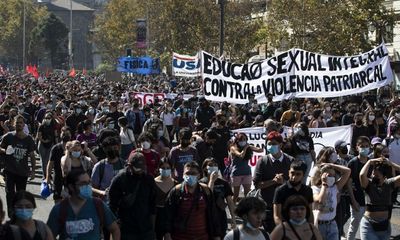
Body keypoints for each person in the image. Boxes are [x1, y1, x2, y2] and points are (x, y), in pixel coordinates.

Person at [47, 170, 120, 239]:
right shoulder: (59, 209)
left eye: (89, 183)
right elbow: (48, 236)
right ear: (71, 187)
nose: (88, 186)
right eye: (83, 183)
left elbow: (115, 229)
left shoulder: (98, 205)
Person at [164, 161, 221, 240]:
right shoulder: (176, 192)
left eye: (193, 173)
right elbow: (167, 215)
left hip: (202, 237)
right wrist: (167, 234)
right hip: (179, 237)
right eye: (188, 173)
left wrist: (217, 235)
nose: (190, 176)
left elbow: (213, 215)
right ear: (183, 175)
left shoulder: (206, 191)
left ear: (198, 175)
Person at [108, 152, 157, 239]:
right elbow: (112, 205)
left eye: (142, 168)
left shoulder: (148, 179)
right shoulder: (119, 179)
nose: (140, 171)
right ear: (129, 166)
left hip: (145, 228)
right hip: (127, 229)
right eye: (137, 168)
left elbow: (153, 204)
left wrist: (152, 228)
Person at [253, 131, 293, 233]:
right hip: (267, 207)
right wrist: (273, 181)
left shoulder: (290, 161)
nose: (271, 146)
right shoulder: (262, 161)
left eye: (274, 144)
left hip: (286, 207)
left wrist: (284, 182)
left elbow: (295, 184)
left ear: (280, 144)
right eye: (269, 144)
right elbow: (257, 185)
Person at [0, 115, 36, 216]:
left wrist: (33, 171)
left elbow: (32, 156)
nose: (19, 124)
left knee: (21, 196)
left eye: (21, 123)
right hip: (10, 171)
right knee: (10, 194)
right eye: (17, 122)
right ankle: (11, 215)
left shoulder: (28, 139)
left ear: (24, 125)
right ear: (13, 124)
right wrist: (5, 150)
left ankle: (19, 215)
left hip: (22, 172)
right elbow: (0, 148)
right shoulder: (8, 136)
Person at [359, 158, 400, 240]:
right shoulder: (369, 185)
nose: (373, 176)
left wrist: (391, 163)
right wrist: (369, 161)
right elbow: (362, 175)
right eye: (373, 174)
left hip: (384, 226)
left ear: (384, 177)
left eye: (377, 175)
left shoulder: (389, 184)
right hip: (369, 225)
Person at [311, 163, 351, 240]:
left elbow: (347, 171)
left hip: (332, 224)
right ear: (321, 175)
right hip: (319, 225)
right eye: (329, 175)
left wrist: (331, 165)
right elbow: (320, 200)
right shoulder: (314, 189)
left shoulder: (335, 187)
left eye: (333, 175)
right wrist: (324, 184)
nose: (331, 177)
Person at [201, 158, 236, 237]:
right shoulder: (201, 183)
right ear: (205, 168)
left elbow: (230, 202)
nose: (213, 167)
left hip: (220, 217)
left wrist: (233, 218)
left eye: (215, 165)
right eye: (210, 165)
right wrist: (212, 181)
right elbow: (208, 196)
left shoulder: (224, 183)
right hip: (206, 217)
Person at [273, 161, 314, 225]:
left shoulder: (308, 190)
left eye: (298, 174)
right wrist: (284, 231)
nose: (294, 177)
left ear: (303, 175)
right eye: (292, 173)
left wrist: (311, 230)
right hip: (286, 228)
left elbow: (310, 213)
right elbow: (277, 216)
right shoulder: (280, 190)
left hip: (303, 228)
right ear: (288, 172)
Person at [346, 136, 371, 240]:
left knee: (367, 228)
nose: (364, 148)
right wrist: (353, 201)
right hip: (357, 199)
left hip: (370, 201)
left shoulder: (371, 163)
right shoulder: (352, 163)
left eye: (366, 146)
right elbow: (348, 184)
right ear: (357, 147)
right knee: (354, 225)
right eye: (362, 146)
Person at [230, 132, 263, 202]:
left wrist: (251, 147)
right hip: (236, 173)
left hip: (247, 173)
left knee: (247, 194)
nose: (243, 141)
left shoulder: (248, 147)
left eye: (244, 139)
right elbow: (241, 155)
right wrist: (245, 148)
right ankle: (232, 209)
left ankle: (246, 209)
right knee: (236, 194)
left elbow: (260, 150)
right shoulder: (233, 148)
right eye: (241, 140)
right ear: (237, 140)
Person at [46, 126, 72, 203]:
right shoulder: (55, 148)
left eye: (67, 134)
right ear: (60, 134)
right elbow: (50, 164)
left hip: (70, 180)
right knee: (57, 202)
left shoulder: (74, 148)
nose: (65, 136)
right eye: (63, 133)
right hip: (58, 179)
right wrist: (47, 177)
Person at [154, 160, 178, 240]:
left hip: (171, 217)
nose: (165, 170)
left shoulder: (176, 184)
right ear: (159, 168)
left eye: (168, 168)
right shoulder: (153, 183)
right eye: (163, 168)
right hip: (157, 217)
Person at [36, 112, 56, 179]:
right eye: (46, 118)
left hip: (50, 144)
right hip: (42, 144)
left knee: (48, 160)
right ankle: (45, 174)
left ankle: (48, 173)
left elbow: (55, 135)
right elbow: (39, 136)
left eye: (49, 118)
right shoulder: (41, 126)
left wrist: (56, 142)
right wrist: (44, 141)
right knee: (43, 161)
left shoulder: (53, 126)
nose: (47, 119)